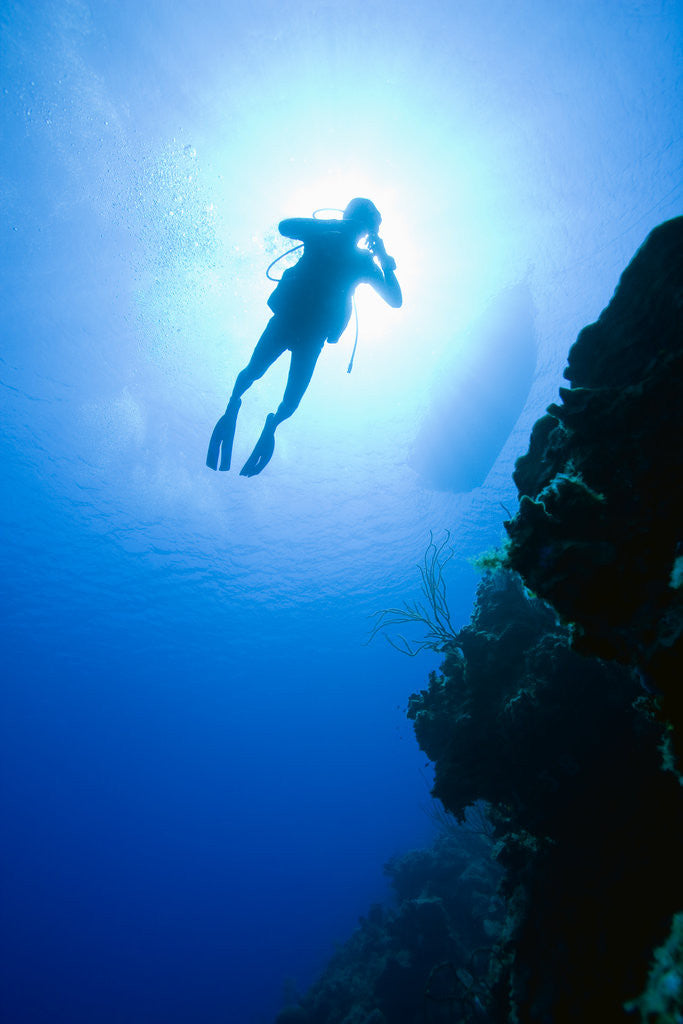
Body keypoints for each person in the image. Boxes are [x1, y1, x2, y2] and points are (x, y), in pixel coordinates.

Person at [206, 197, 402, 477]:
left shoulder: (363, 262)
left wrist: (384, 260)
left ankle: (270, 426)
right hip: (289, 323)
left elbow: (395, 300)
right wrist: (333, 226)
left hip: (309, 335)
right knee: (253, 373)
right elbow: (285, 227)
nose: (362, 229)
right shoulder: (325, 234)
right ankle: (233, 408)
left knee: (289, 400)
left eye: (367, 226)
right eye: (363, 222)